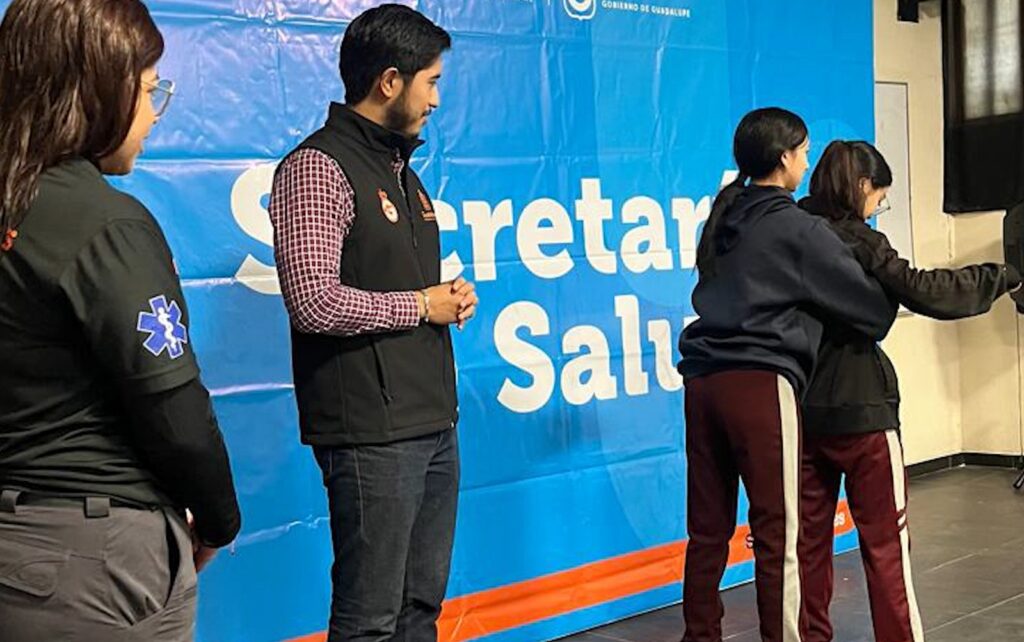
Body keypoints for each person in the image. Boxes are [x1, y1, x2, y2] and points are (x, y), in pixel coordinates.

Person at [0, 1, 241, 640]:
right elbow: (175, 412)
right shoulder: (107, 226)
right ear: (97, 89)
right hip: (95, 562)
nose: (153, 114)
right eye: (147, 89)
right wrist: (219, 521)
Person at [267, 5, 478, 641]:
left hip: (431, 421)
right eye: (431, 82)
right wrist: (421, 304)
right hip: (370, 433)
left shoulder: (404, 174)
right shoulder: (316, 167)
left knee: (420, 610)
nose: (436, 100)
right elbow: (313, 301)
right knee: (370, 621)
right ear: (390, 81)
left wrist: (447, 299)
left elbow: (396, 284)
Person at [677, 107, 898, 642]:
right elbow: (872, 311)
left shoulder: (723, 217)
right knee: (781, 536)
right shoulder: (797, 227)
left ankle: (699, 635)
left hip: (702, 382)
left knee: (707, 531)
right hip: (759, 385)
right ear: (784, 158)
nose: (806, 161)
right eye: (803, 152)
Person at [797, 140, 1023, 642]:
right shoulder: (863, 242)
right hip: (863, 414)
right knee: (886, 546)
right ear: (862, 186)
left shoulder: (792, 232)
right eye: (880, 196)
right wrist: (1003, 276)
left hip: (803, 411)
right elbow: (926, 291)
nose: (879, 206)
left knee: (806, 547)